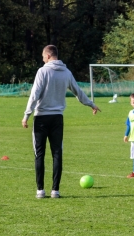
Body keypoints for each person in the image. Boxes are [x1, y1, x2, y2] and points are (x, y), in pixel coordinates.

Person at [22, 45, 101, 198]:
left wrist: (27, 115)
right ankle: (55, 191)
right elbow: (78, 91)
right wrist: (91, 104)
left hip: (41, 118)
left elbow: (34, 94)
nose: (42, 59)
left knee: (40, 154)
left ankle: (40, 190)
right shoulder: (66, 72)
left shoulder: (43, 71)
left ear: (48, 55)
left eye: (43, 56)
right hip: (57, 118)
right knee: (57, 153)